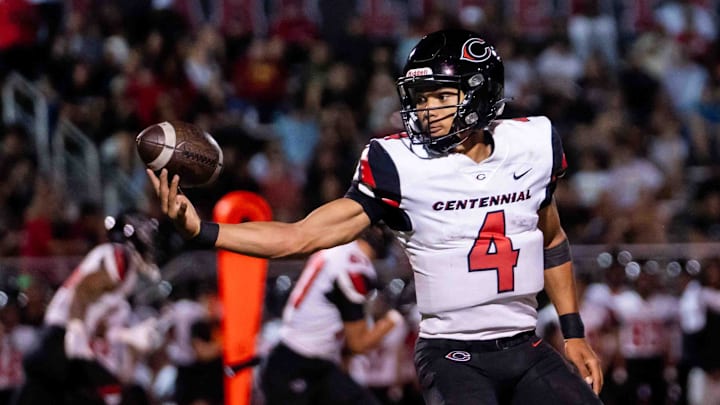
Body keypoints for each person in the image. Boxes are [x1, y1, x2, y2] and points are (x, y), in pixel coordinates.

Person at [149, 29, 603, 404]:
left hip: (526, 342)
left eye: (441, 96)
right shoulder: (400, 164)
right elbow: (301, 236)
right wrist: (203, 230)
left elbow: (551, 239)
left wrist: (573, 331)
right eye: (422, 98)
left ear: (481, 95)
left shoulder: (532, 144)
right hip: (452, 353)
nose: (427, 110)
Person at [13, 211, 164, 405]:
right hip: (59, 342)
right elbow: (84, 288)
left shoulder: (119, 261)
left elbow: (98, 321)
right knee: (108, 391)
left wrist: (128, 335)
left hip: (58, 343)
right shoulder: (120, 257)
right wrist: (76, 328)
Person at [259, 225, 402, 404]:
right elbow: (358, 344)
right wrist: (396, 315)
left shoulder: (337, 249)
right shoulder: (354, 267)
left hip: (308, 362)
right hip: (297, 365)